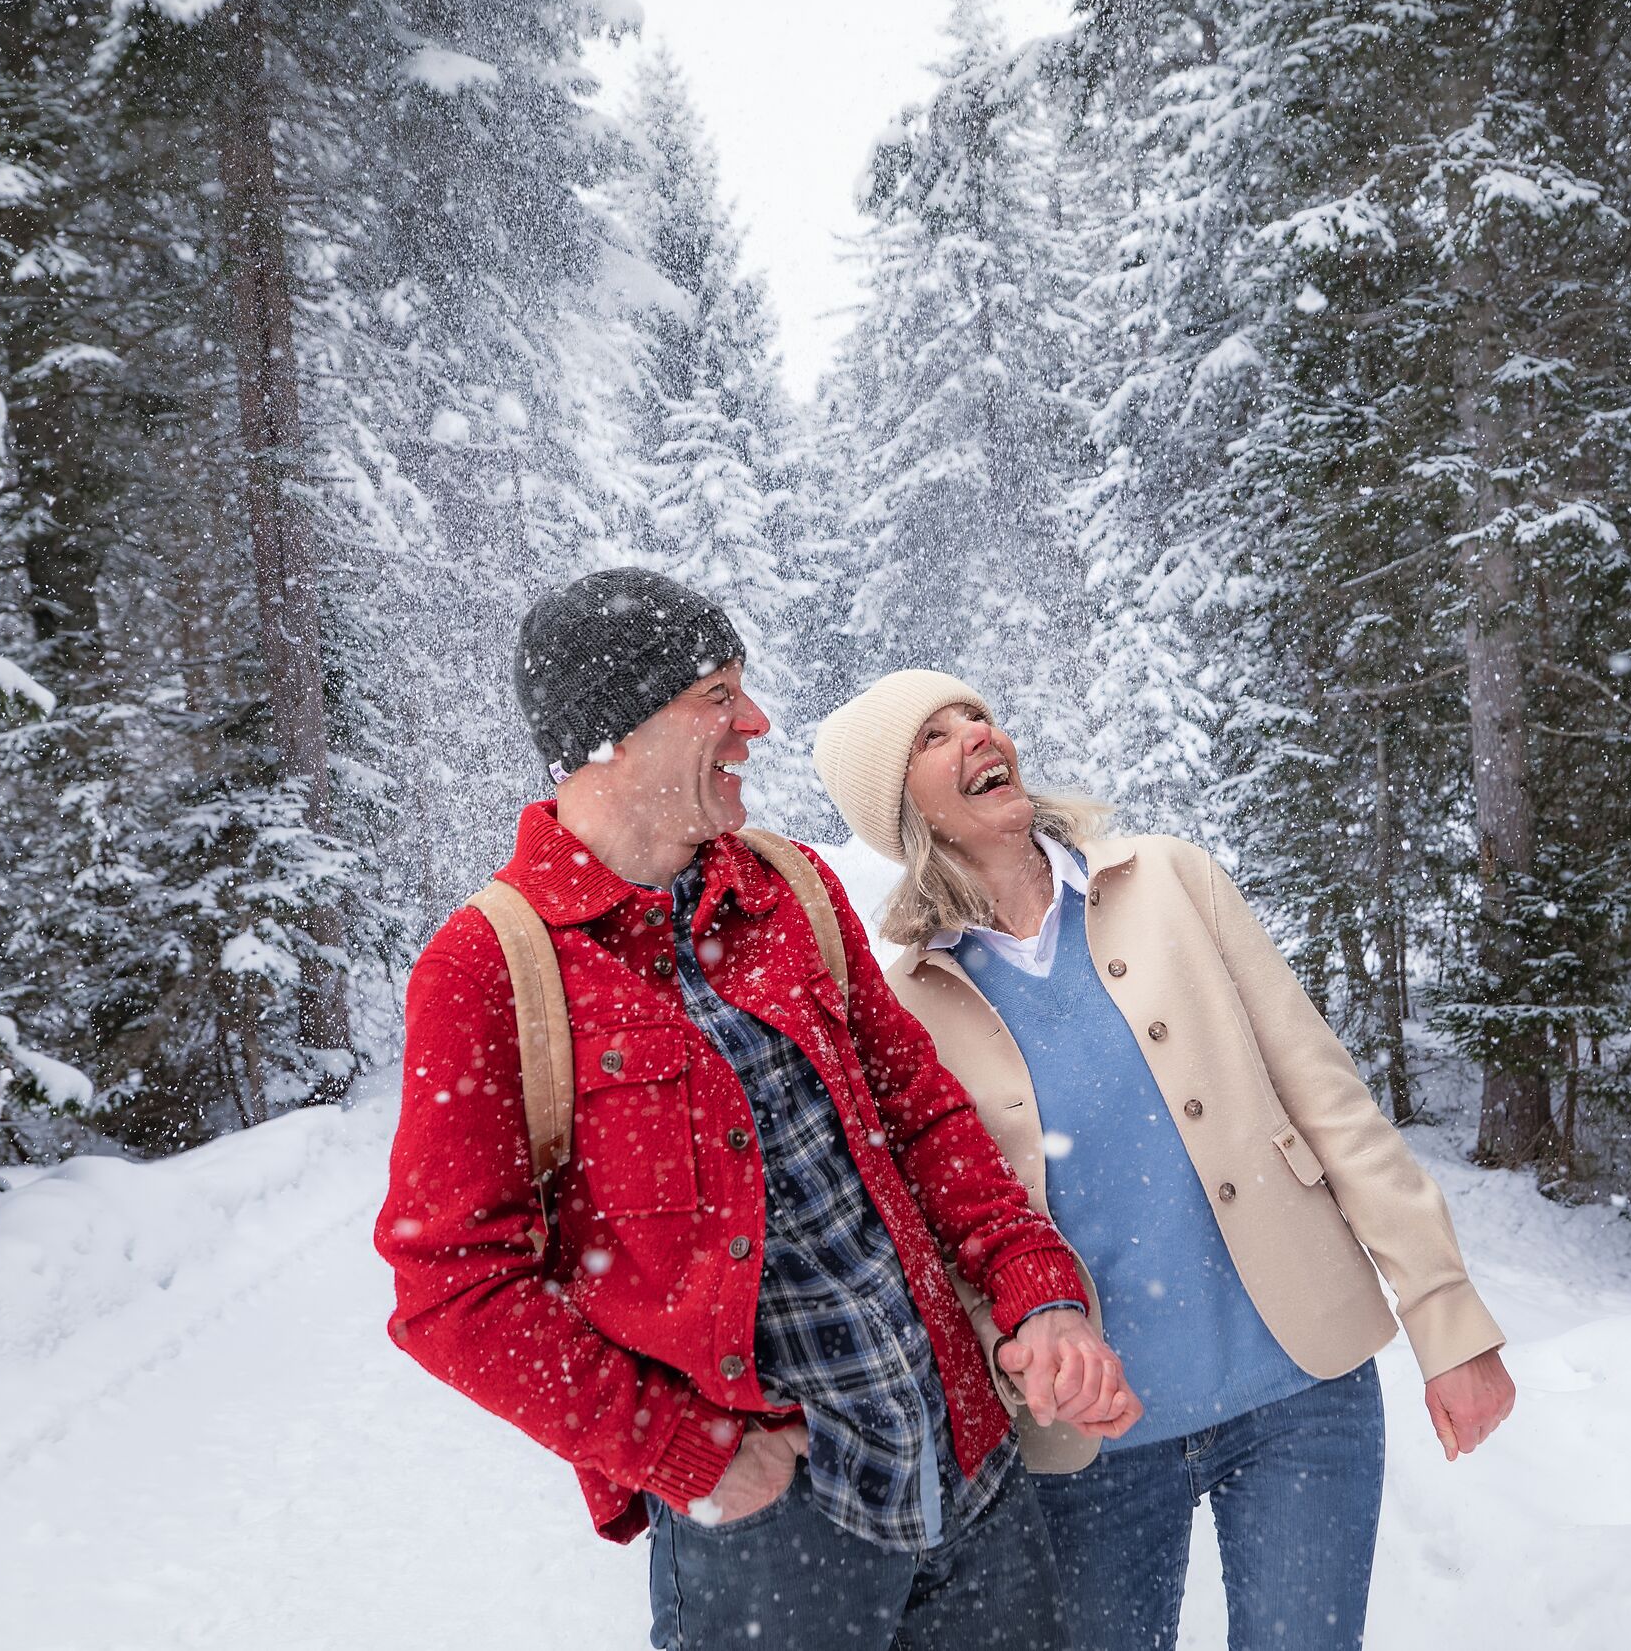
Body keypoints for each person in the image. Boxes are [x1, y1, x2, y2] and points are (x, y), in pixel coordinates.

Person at [375, 577, 1137, 1651]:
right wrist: (680, 1447)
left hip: (969, 1469)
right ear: (615, 734)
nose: (754, 724)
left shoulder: (787, 888)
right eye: (716, 695)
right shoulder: (489, 966)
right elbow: (449, 1288)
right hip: (771, 1542)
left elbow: (920, 1120)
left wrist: (1035, 1290)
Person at [812, 669, 1518, 1651]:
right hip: (1094, 1451)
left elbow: (1329, 1102)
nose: (977, 735)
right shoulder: (910, 1005)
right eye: (934, 736)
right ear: (899, 807)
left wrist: (1447, 1319)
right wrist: (1017, 1364)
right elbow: (948, 1241)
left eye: (977, 714)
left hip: (1298, 1397)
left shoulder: (1170, 881)